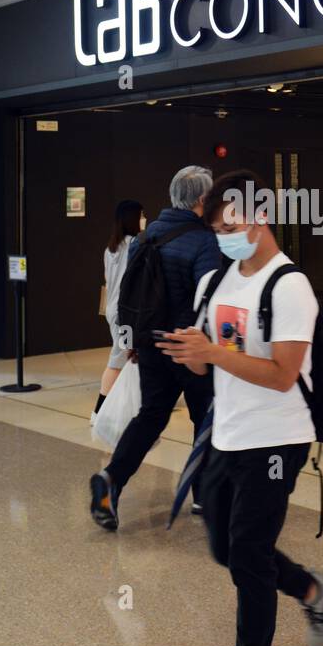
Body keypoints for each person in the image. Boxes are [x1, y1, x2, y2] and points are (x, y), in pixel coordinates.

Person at [157, 170, 323, 646]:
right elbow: (203, 366)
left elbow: (282, 374)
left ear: (261, 218)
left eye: (231, 228)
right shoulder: (215, 282)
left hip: (278, 439)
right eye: (217, 231)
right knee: (225, 549)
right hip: (226, 434)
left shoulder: (289, 286)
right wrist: (189, 352)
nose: (225, 239)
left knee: (250, 557)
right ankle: (311, 590)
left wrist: (213, 355)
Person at [90, 166, 220, 530]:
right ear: (201, 200)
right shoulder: (204, 241)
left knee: (150, 416)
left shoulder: (148, 236)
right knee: (205, 419)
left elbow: (131, 295)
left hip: (149, 345)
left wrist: (132, 342)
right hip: (189, 346)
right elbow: (208, 299)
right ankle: (204, 495)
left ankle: (111, 479)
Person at [94, 199, 143, 419]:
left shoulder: (111, 248)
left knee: (123, 358)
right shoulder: (135, 244)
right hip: (125, 313)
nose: (145, 219)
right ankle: (99, 412)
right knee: (118, 360)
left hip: (113, 310)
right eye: (142, 215)